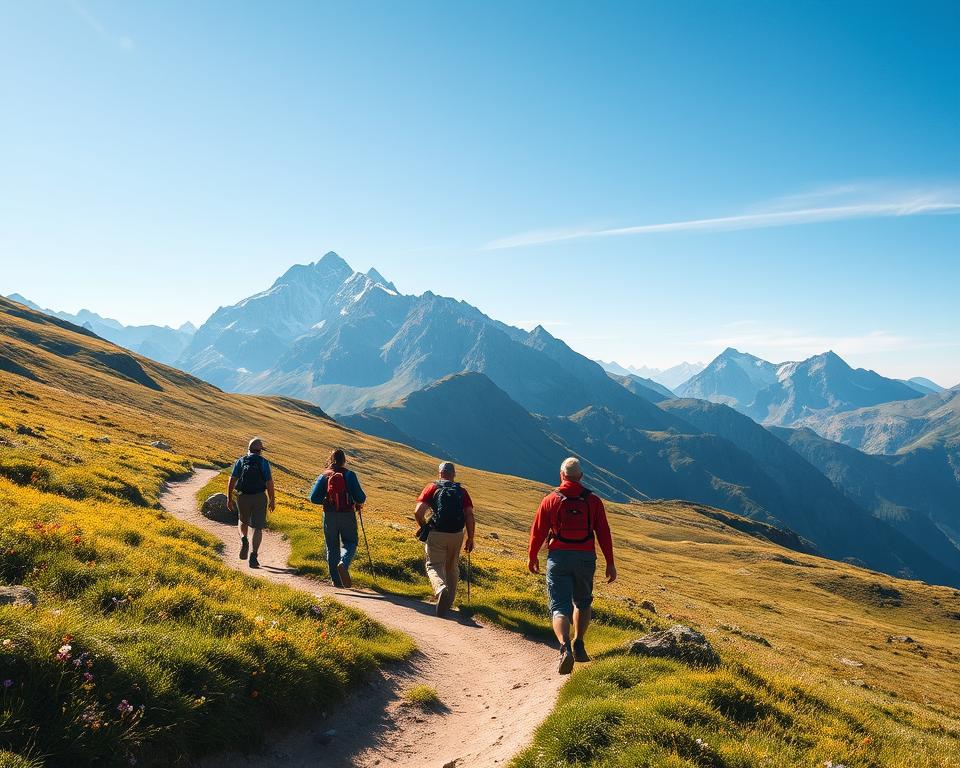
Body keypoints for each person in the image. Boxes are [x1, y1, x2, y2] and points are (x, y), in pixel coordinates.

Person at [528, 457, 616, 675]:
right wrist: (610, 563)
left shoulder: (550, 500)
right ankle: (579, 642)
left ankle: (564, 646)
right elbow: (604, 533)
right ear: (581, 477)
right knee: (583, 602)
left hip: (558, 557)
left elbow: (538, 531)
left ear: (561, 476)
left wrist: (532, 556)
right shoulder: (593, 501)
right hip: (586, 558)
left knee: (559, 607)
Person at [414, 461, 475, 617]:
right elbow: (469, 515)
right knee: (452, 567)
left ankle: (441, 589)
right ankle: (448, 603)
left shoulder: (432, 487)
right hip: (457, 534)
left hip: (437, 533)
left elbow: (418, 512)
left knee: (433, 565)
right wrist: (470, 538)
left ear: (439, 473)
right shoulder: (461, 491)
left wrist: (424, 526)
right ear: (453, 474)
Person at [309, 448, 367, 588]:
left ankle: (336, 581)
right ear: (344, 461)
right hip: (347, 515)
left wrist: (327, 500)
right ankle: (344, 563)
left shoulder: (324, 476)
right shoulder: (349, 475)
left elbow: (313, 498)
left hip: (329, 516)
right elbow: (361, 497)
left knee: (332, 547)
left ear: (330, 460)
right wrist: (354, 501)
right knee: (350, 542)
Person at [227, 437, 276, 569]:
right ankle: (253, 556)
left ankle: (244, 538)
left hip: (243, 496)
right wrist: (272, 499)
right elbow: (269, 483)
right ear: (260, 451)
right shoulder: (263, 462)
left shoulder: (241, 461)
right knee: (258, 527)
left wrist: (229, 497)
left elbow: (232, 480)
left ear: (248, 449)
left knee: (242, 521)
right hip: (260, 496)